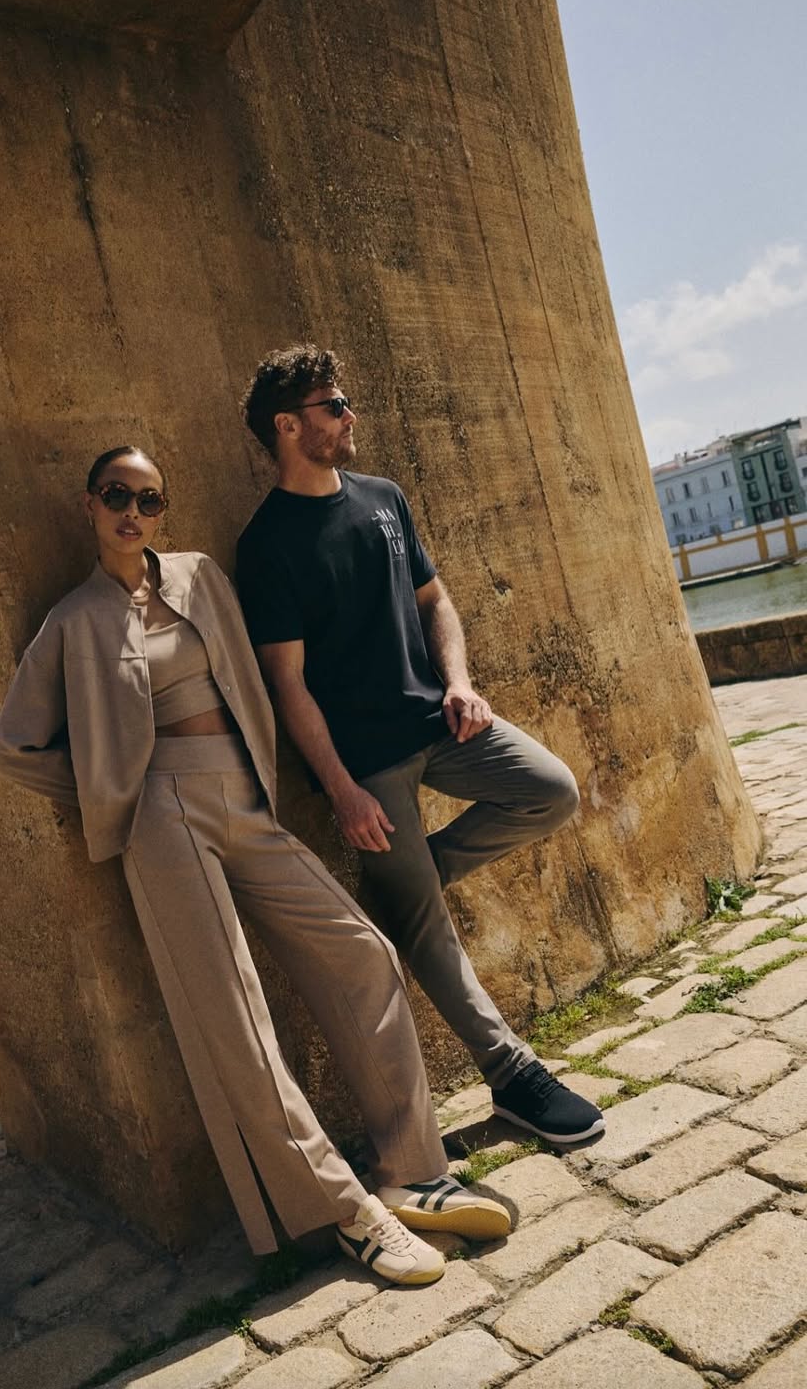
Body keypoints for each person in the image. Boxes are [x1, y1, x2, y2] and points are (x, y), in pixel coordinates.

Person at [0, 445, 514, 1286]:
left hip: (244, 796)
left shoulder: (201, 577)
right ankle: (348, 1213)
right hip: (160, 815)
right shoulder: (73, 622)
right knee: (236, 1020)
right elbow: (12, 749)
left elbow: (255, 681)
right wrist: (109, 788)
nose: (133, 512)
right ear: (89, 504)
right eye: (117, 495)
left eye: (150, 499)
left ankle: (411, 1171)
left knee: (363, 953)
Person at [235, 348, 604, 1145]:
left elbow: (437, 602)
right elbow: (287, 684)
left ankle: (416, 880)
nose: (350, 415)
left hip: (442, 724)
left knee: (552, 790)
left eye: (345, 401)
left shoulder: (384, 499)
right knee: (427, 932)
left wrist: (460, 682)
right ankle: (514, 1077)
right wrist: (342, 790)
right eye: (334, 406)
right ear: (288, 426)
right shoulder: (266, 545)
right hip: (368, 765)